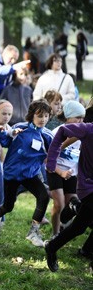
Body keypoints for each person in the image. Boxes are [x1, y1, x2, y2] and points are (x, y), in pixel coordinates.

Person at [0, 100, 53, 246]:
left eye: (46, 116)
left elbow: (54, 152)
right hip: (12, 173)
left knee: (44, 197)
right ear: (32, 116)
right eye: (39, 116)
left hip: (30, 174)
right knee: (9, 206)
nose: (43, 119)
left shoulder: (47, 136)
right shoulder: (20, 128)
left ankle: (33, 231)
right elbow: (5, 142)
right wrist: (1, 131)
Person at [44, 116, 93, 272]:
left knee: (79, 227)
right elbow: (63, 131)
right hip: (88, 186)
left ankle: (52, 246)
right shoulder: (88, 129)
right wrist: (51, 161)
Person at [46, 101, 85, 236]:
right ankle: (55, 234)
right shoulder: (57, 132)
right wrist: (60, 172)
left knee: (73, 205)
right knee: (59, 204)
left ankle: (63, 228)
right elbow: (47, 157)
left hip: (71, 174)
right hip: (55, 171)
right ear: (68, 117)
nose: (81, 121)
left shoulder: (83, 134)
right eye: (77, 117)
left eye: (82, 118)